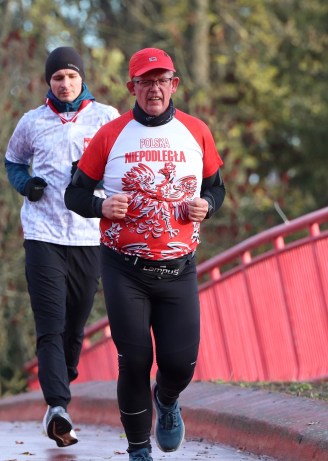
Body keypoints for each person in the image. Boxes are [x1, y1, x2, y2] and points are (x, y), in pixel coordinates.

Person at [64, 48, 225, 461]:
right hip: (124, 269)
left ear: (174, 85)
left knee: (181, 363)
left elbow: (216, 187)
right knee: (133, 359)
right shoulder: (111, 134)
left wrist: (207, 203)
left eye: (161, 80)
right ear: (131, 87)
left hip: (178, 268)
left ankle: (167, 400)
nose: (154, 89)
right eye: (145, 82)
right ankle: (138, 450)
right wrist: (101, 206)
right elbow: (74, 193)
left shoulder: (196, 131)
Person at [4, 46, 119, 447]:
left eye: (71, 76)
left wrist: (95, 182)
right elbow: (13, 161)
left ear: (81, 78)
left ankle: (61, 380)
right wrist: (26, 184)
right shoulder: (32, 122)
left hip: (89, 235)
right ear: (48, 82)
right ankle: (57, 407)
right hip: (42, 234)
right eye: (57, 78)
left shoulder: (107, 118)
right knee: (50, 324)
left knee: (75, 327)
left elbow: (121, 168)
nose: (65, 84)